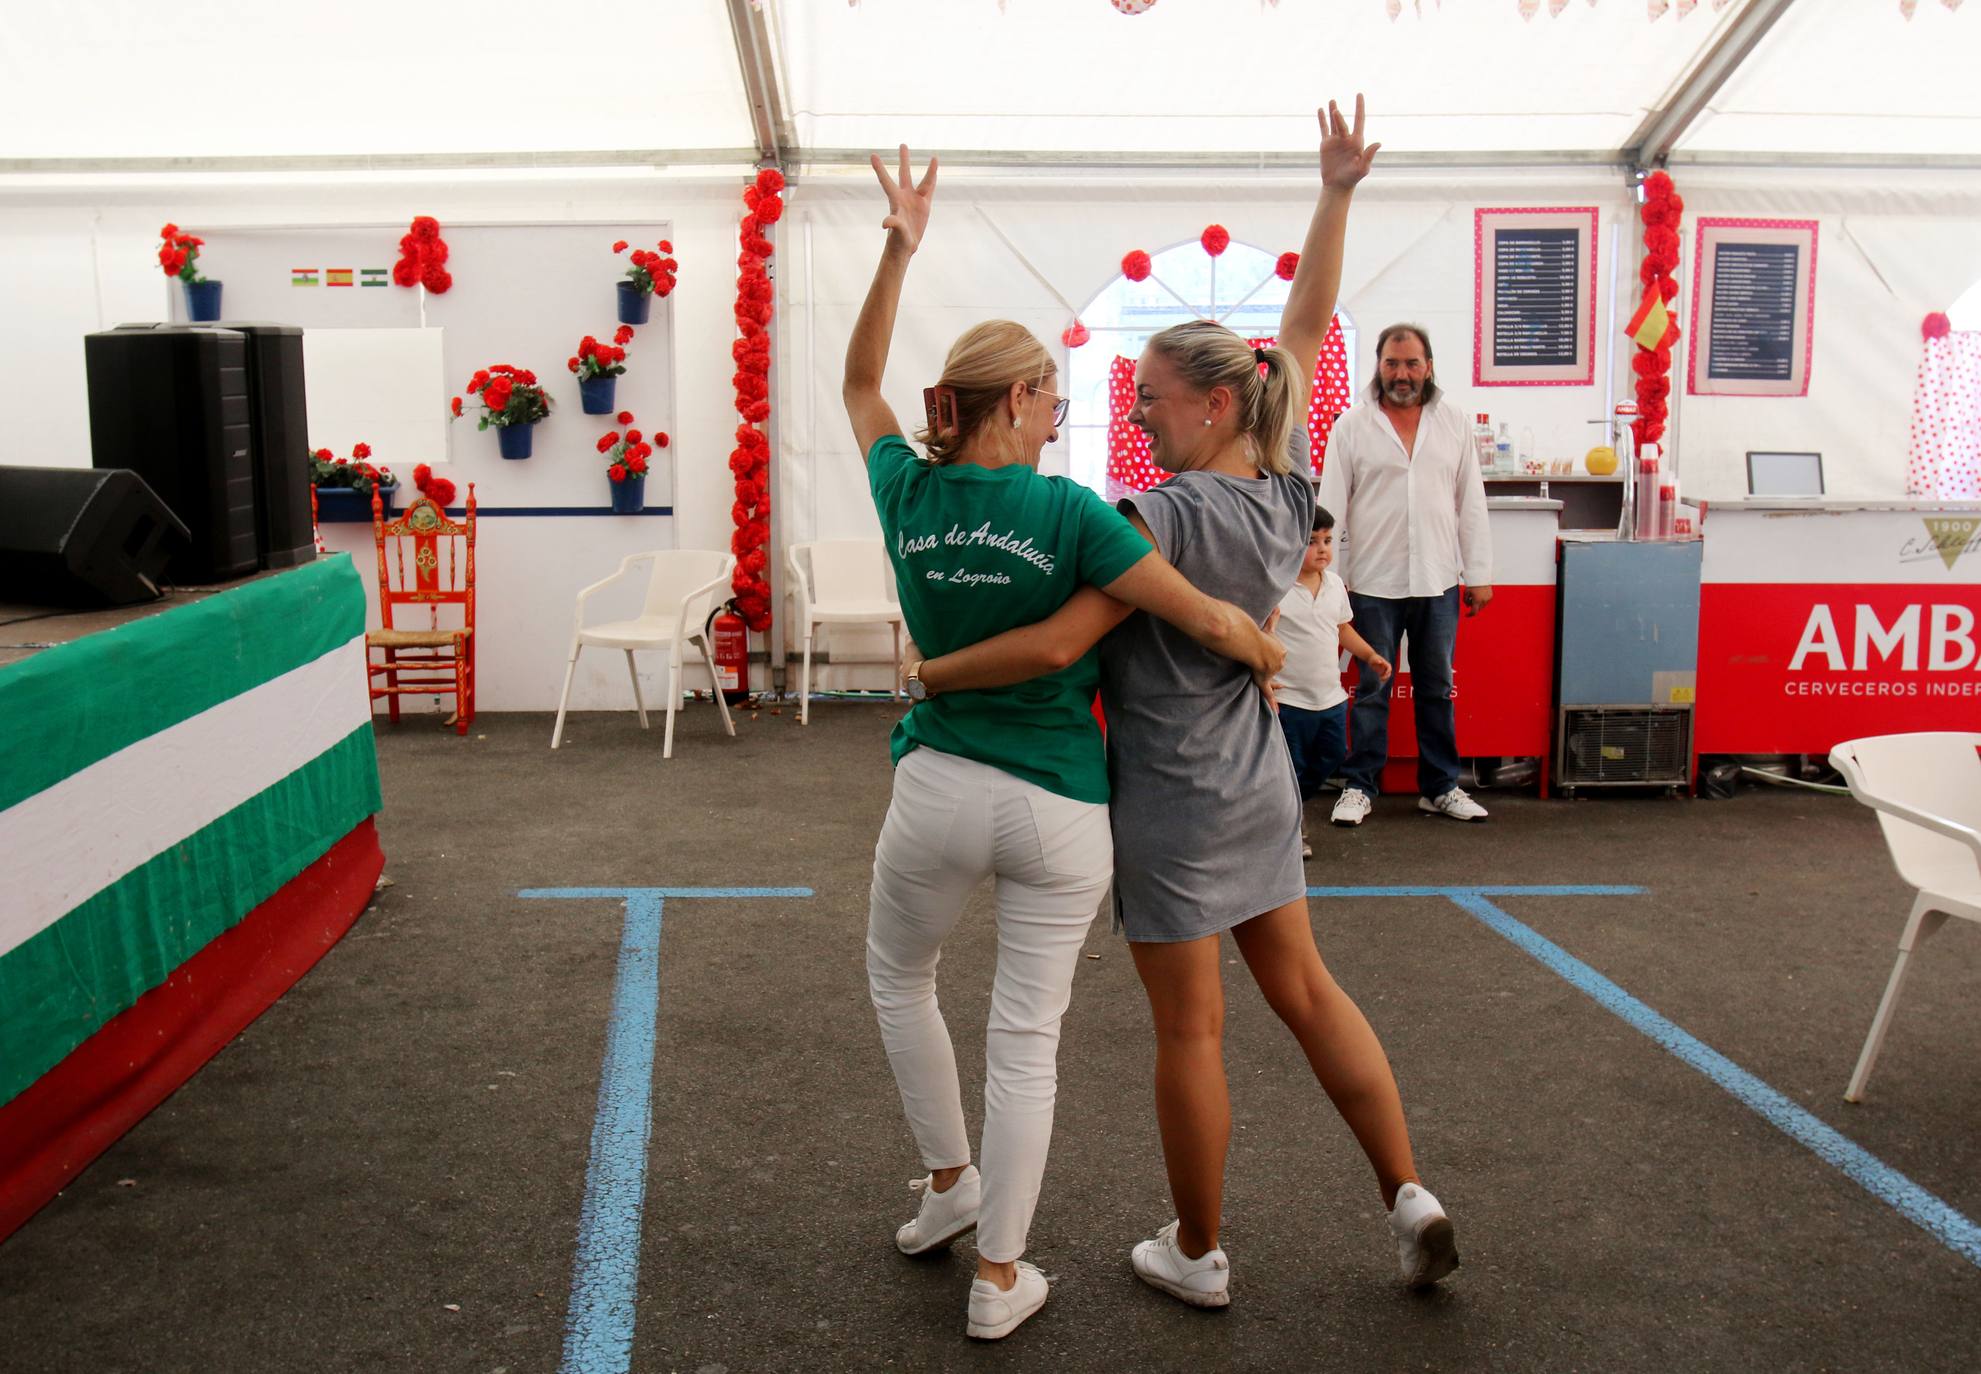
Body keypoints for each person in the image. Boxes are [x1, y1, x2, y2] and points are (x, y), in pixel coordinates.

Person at [920, 97, 1460, 1307]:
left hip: (1164, 798)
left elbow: (1060, 637)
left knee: (1193, 1034)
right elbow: (1309, 327)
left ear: (1215, 403)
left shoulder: (1145, 523)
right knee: (1310, 994)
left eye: (1153, 395)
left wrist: (937, 665)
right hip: (1258, 789)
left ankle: (1200, 1254)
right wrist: (1335, 193)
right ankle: (1406, 1191)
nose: (1139, 409)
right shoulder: (1281, 496)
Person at [843, 146, 1285, 1342]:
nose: (1069, 415)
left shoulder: (907, 492)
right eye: (1056, 399)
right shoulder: (1075, 513)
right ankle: (998, 1278)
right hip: (1059, 808)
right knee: (1023, 1041)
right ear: (1024, 400)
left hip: (935, 785)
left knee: (900, 978)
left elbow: (859, 379)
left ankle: (948, 1186)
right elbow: (1185, 607)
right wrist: (1250, 643)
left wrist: (898, 246)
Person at [1317, 322, 1493, 827]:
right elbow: (1331, 506)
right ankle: (1359, 785)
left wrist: (1478, 572)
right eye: (1392, 363)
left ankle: (1441, 787)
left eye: (1412, 363)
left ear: (1429, 366)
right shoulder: (1352, 425)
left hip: (1439, 578)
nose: (1402, 373)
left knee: (1437, 686)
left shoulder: (1454, 422)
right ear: (1379, 366)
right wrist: (1324, 575)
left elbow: (1471, 502)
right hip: (1372, 579)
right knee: (1370, 687)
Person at [1275, 504, 1391, 858]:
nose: (1323, 548)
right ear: (1290, 544)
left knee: (1333, 756)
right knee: (1289, 768)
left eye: (1328, 540)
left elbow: (1342, 629)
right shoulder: (1277, 588)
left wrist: (1369, 655)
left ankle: (1286, 809)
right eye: (1312, 541)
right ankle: (1290, 827)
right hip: (1289, 701)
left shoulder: (1336, 585)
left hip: (1330, 700)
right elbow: (1261, 635)